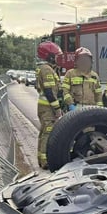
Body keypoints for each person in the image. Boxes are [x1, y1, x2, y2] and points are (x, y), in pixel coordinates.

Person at [35, 41, 63, 169]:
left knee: (44, 131)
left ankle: (41, 158)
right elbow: (49, 91)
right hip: (48, 108)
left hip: (45, 106)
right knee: (48, 131)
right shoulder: (46, 69)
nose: (58, 58)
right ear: (50, 56)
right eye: (56, 56)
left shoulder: (47, 68)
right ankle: (45, 161)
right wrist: (57, 109)